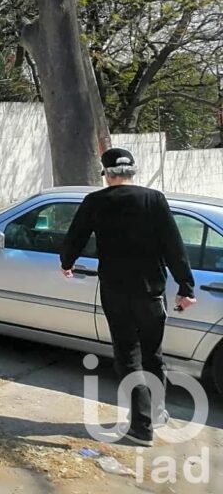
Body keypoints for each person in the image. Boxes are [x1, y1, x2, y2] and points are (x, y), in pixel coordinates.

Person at [60, 147, 197, 447]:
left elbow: (76, 237)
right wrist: (186, 287)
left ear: (106, 174)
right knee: (152, 355)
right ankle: (156, 413)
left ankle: (141, 427)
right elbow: (174, 245)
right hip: (151, 293)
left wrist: (67, 262)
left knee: (128, 357)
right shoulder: (154, 199)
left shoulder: (95, 201)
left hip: (116, 292)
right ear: (132, 171)